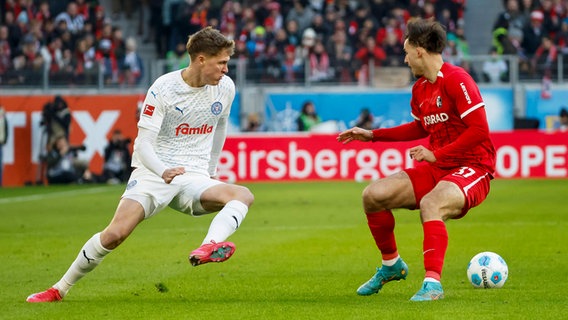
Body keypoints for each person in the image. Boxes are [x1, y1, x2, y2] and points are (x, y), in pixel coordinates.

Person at [27, 26, 255, 303]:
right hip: (154, 171)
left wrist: (210, 169)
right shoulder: (164, 88)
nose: (226, 70)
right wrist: (163, 170)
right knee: (115, 234)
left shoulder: (225, 88)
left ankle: (208, 247)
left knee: (242, 194)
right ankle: (58, 289)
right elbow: (142, 145)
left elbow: (220, 128)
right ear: (201, 59)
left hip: (194, 174)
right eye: (222, 63)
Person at [337, 18, 496, 301]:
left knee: (431, 203)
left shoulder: (458, 80)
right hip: (438, 168)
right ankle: (391, 265)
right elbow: (420, 127)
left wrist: (437, 154)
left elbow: (480, 130)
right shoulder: (421, 89)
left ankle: (433, 284)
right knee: (373, 195)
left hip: (472, 167)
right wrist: (372, 135)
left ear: (420, 50)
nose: (405, 58)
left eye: (407, 51)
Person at [0, 106, 7, 187]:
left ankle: (0, 183)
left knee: (0, 165)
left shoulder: (2, 112)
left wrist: (5, 139)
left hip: (0, 143)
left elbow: (5, 126)